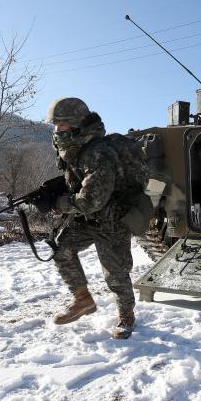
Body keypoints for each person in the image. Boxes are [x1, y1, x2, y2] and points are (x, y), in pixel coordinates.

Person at [33, 97, 145, 340]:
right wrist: (52, 192)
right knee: (61, 249)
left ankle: (126, 315)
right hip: (86, 219)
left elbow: (92, 200)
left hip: (112, 220)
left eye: (60, 126)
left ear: (74, 125)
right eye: (55, 126)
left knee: (115, 273)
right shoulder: (74, 150)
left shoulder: (97, 153)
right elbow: (77, 185)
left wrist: (58, 204)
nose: (56, 131)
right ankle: (83, 300)